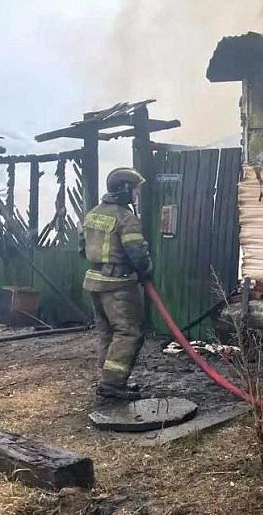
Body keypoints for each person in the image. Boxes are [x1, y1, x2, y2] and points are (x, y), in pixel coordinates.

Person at [79, 167, 152, 402]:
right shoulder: (126, 218)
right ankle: (112, 385)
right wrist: (147, 270)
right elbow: (137, 255)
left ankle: (109, 379)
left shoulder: (92, 214)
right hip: (118, 284)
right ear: (124, 189)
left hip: (94, 281)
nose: (137, 194)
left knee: (107, 333)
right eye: (135, 189)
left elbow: (82, 248)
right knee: (129, 332)